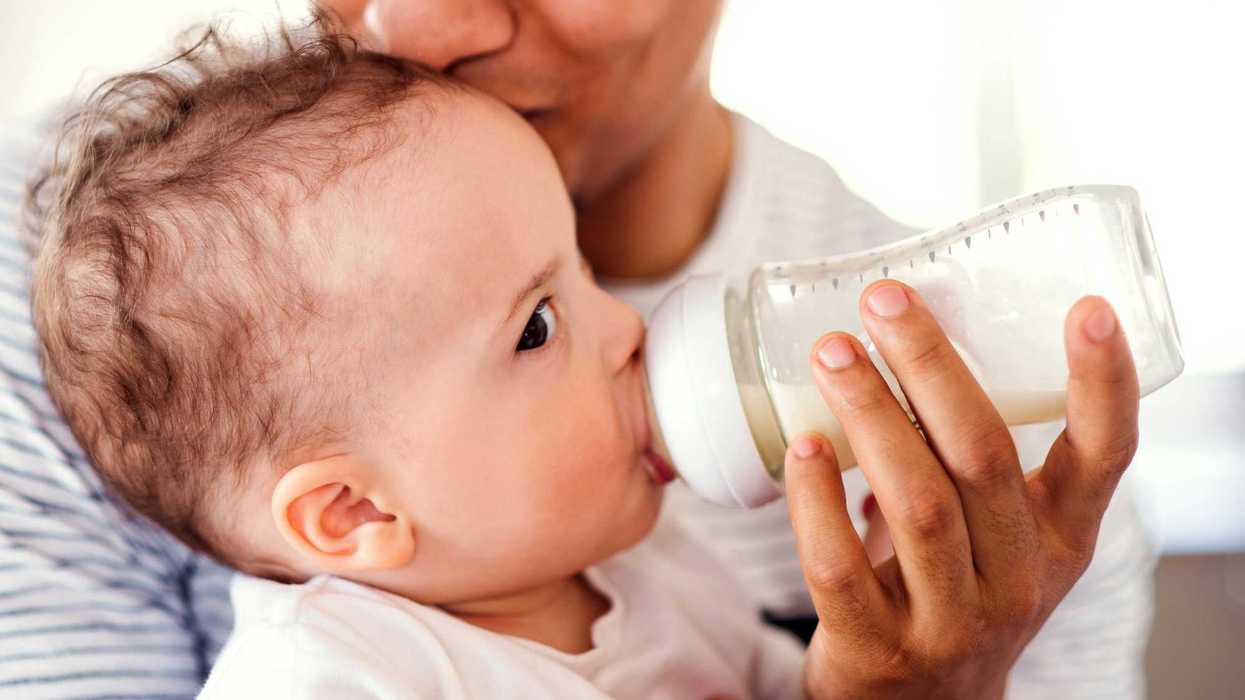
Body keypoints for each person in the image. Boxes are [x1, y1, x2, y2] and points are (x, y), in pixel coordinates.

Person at [0, 1, 1154, 698]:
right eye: (540, 324)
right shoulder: (334, 674)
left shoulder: (654, 574)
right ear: (351, 512)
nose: (419, 23)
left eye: (586, 278)